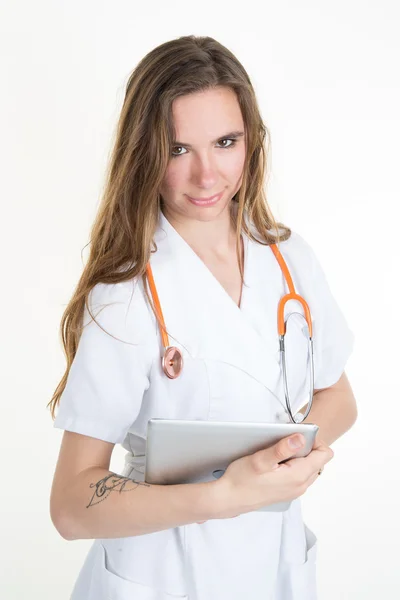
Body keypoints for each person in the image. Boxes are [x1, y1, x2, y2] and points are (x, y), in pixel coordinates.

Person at [48, 35, 357, 600]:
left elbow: (338, 397)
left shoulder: (288, 260)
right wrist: (223, 496)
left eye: (225, 141)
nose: (207, 175)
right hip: (163, 570)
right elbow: (70, 504)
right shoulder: (122, 296)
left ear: (250, 141)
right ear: (144, 153)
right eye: (178, 149)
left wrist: (283, 460)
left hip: (274, 560)